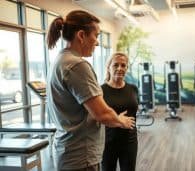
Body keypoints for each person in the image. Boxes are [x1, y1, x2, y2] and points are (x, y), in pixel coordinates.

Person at [46, 10, 135, 171]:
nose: (97, 42)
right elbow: (102, 114)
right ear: (81, 35)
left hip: (67, 152)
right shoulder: (77, 65)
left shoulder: (60, 60)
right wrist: (122, 121)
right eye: (96, 35)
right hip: (81, 157)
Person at [101, 52, 139, 171]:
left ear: (127, 68)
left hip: (130, 141)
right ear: (108, 67)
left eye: (123, 65)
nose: (120, 68)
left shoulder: (133, 89)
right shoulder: (100, 91)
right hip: (108, 142)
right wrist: (118, 119)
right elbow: (98, 116)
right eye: (115, 65)